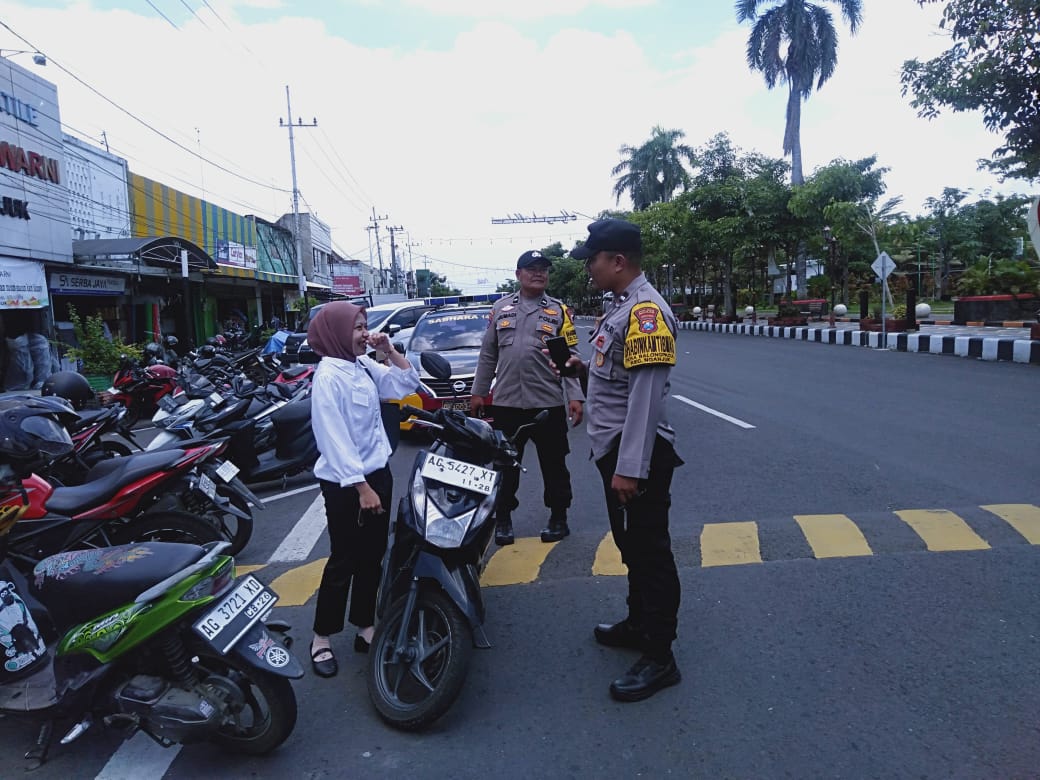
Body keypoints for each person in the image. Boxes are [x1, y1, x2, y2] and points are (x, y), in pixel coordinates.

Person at [567, 219, 684, 703]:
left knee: (650, 553)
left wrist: (630, 468)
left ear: (617, 261)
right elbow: (617, 381)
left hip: (635, 453)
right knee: (631, 545)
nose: (588, 269)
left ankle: (660, 656)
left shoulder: (645, 312)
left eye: (592, 260)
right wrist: (582, 370)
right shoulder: (620, 307)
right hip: (614, 448)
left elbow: (646, 396)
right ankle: (639, 623)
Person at [307, 301, 419, 678]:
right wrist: (361, 487)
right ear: (337, 333)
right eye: (357, 327)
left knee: (373, 555)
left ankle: (364, 626)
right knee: (345, 558)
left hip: (377, 474)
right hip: (347, 484)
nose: (364, 333)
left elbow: (405, 384)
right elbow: (333, 439)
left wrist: (389, 351)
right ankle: (321, 637)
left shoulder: (362, 365)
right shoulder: (328, 377)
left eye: (365, 326)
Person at [471, 250, 584, 546]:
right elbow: (488, 354)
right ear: (518, 274)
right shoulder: (500, 308)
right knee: (505, 465)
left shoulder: (559, 311)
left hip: (548, 402)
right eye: (532, 268)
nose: (538, 273)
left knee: (554, 464)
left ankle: (559, 517)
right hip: (506, 403)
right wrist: (479, 392)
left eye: (543, 269)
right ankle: (503, 519)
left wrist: (575, 396)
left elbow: (570, 357)